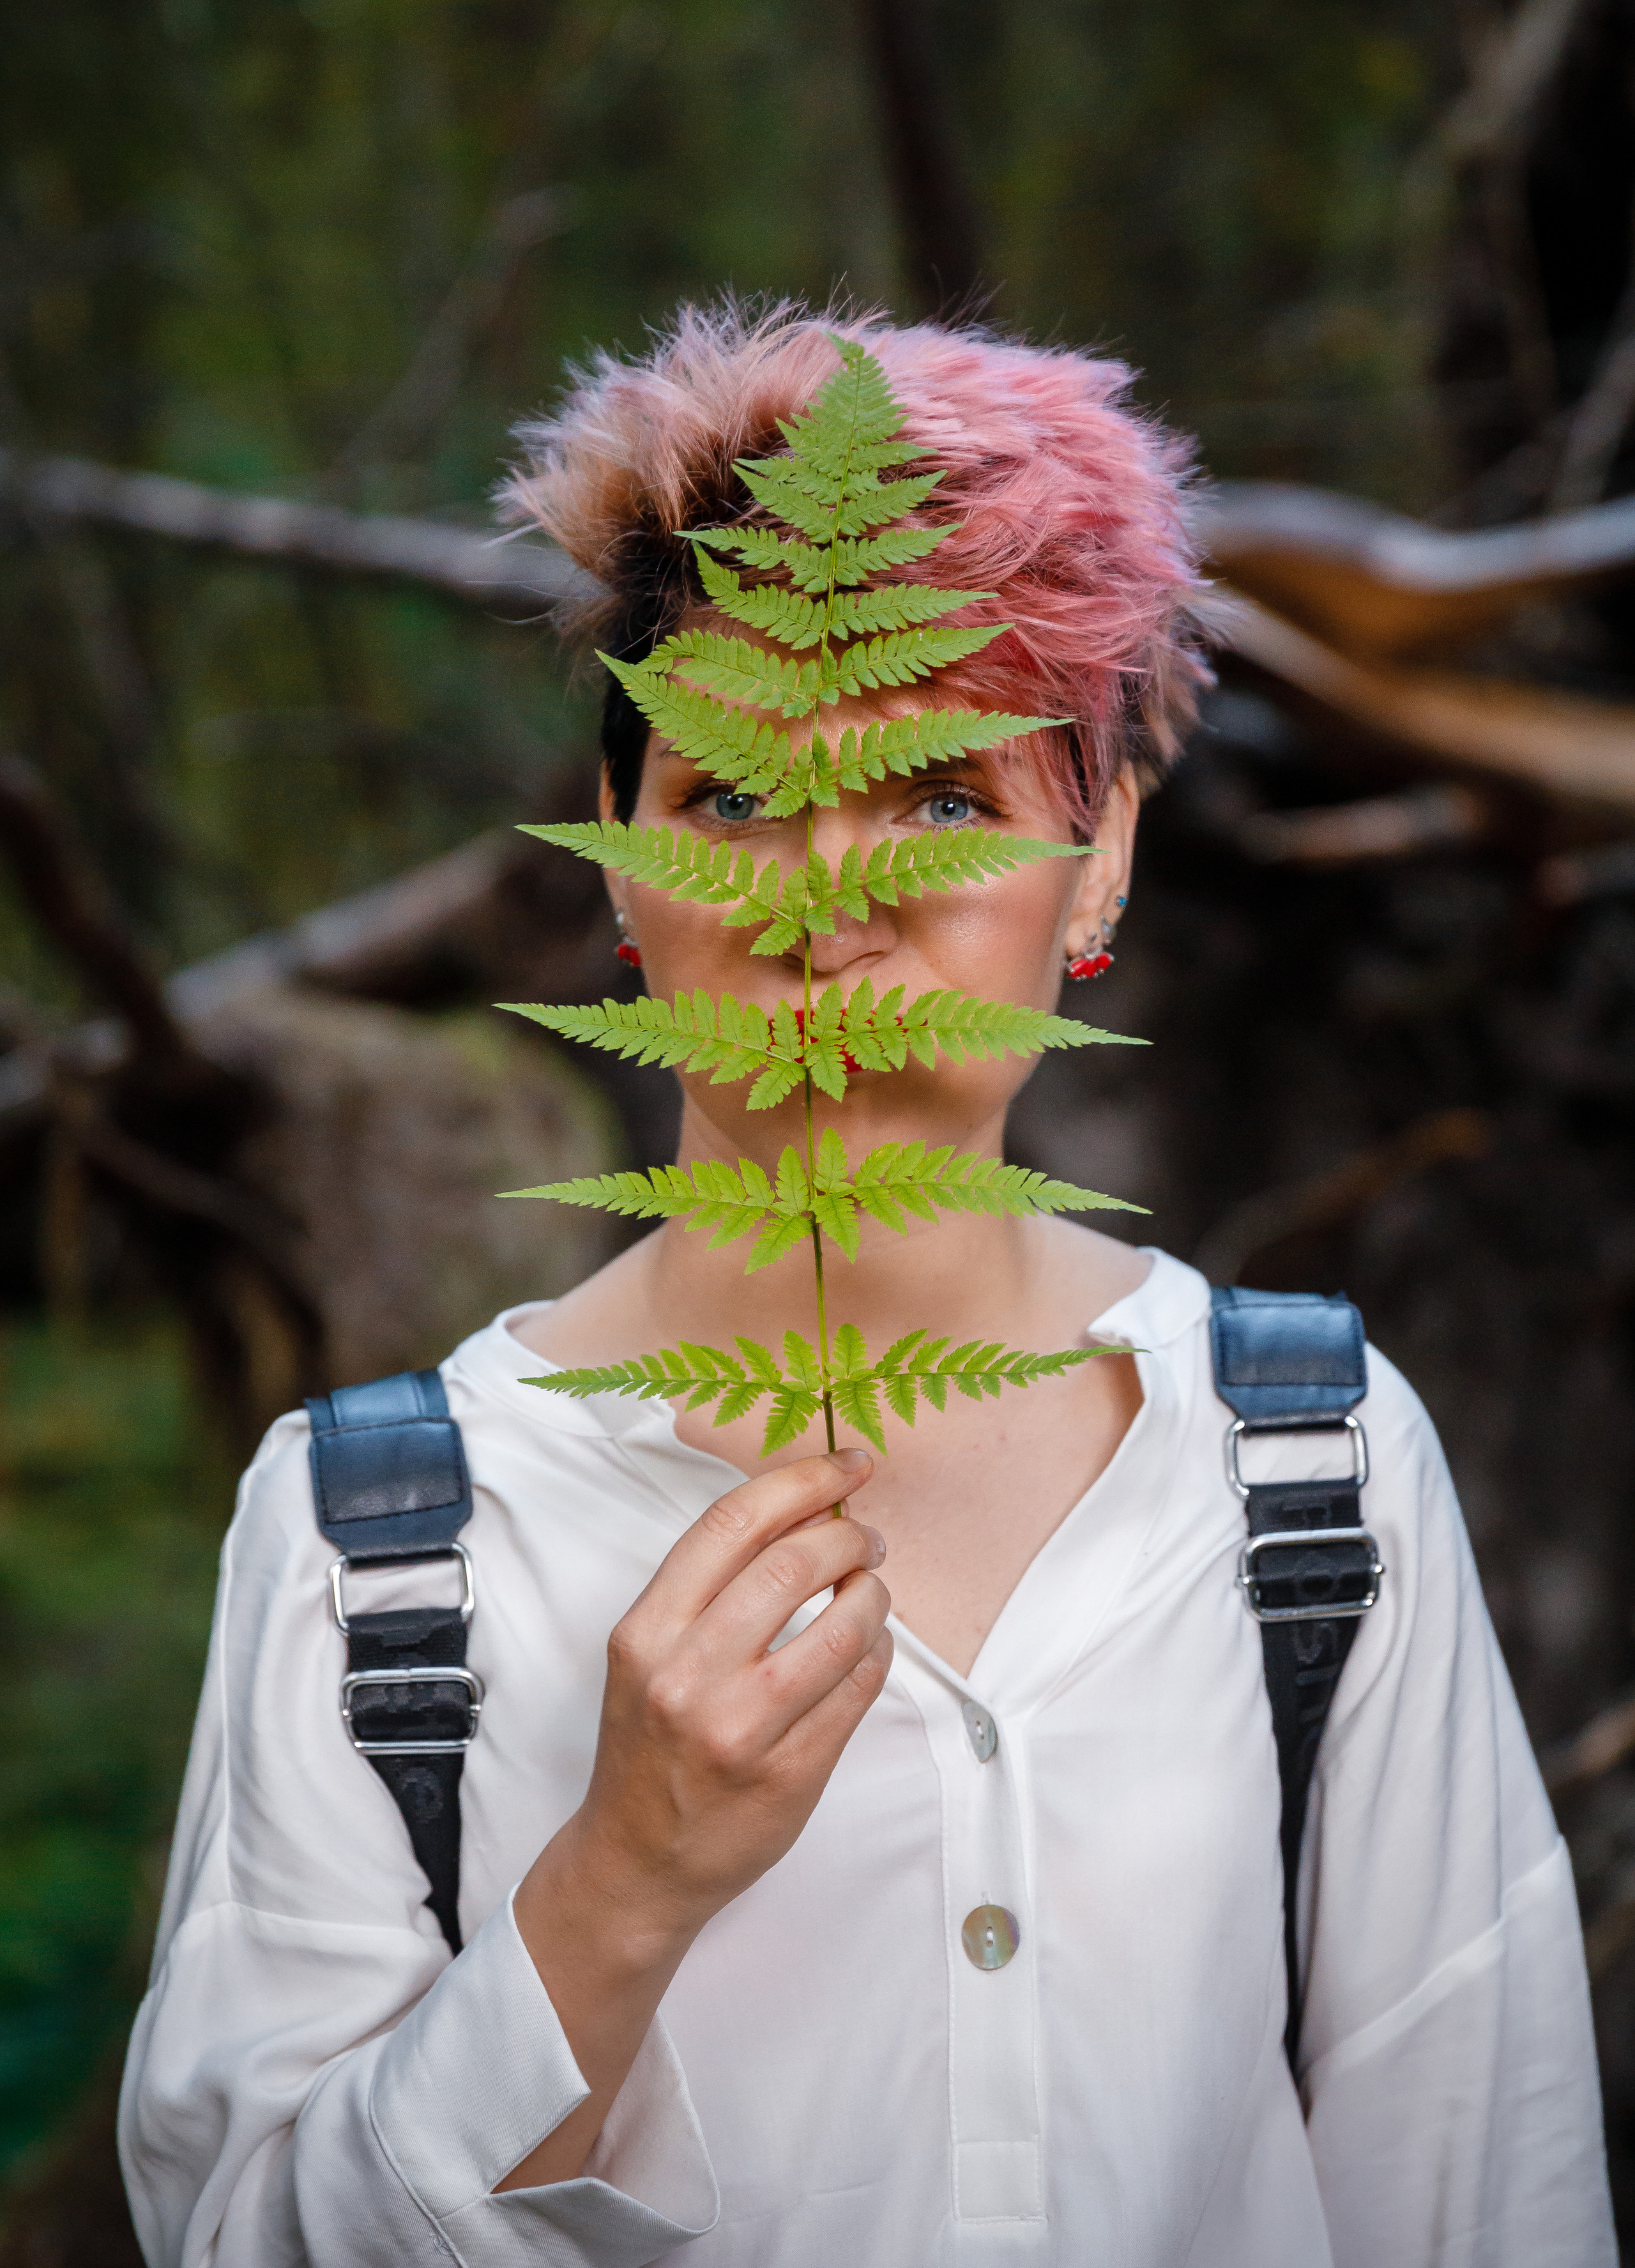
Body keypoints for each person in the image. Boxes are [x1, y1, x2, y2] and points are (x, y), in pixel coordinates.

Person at [119, 300, 1615, 2267]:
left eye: (943, 799)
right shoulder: (378, 1538)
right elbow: (247, 2239)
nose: (829, 891)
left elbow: (1479, 2197)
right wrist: (621, 1883)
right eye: (732, 797)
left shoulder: (1304, 1471)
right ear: (622, 874)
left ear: (1101, 867)